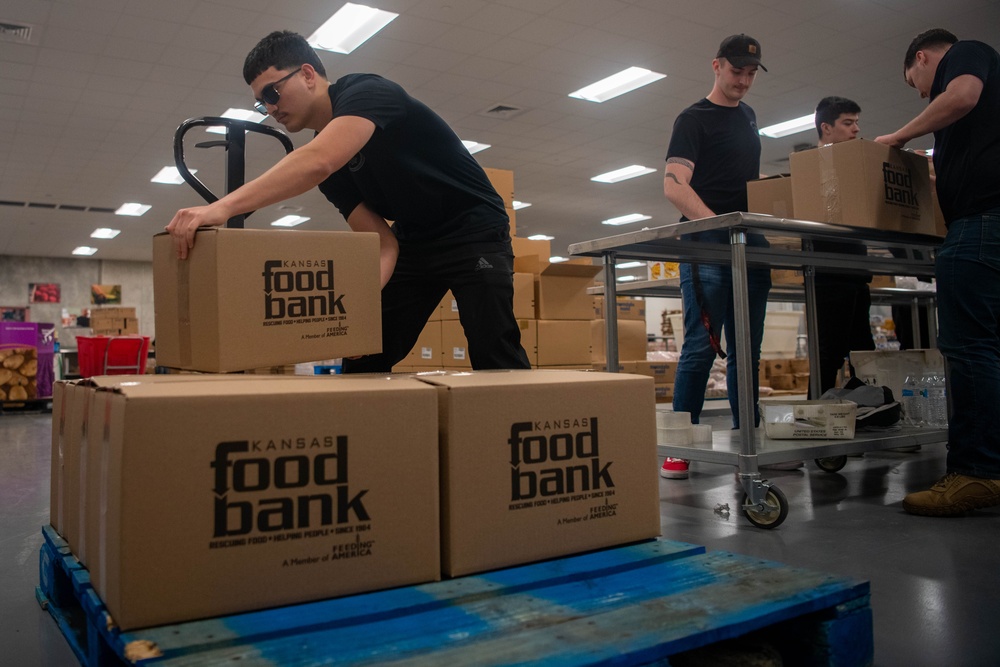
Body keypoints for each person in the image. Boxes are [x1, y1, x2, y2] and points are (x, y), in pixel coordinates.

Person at [166, 30, 530, 373]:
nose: (270, 109)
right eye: (262, 104)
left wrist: (223, 207)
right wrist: (359, 307)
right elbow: (384, 243)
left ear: (308, 74)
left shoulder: (366, 91)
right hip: (414, 240)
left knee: (493, 350)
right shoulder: (334, 172)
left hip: (473, 228)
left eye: (272, 93)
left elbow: (317, 159)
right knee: (364, 351)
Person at [875, 29, 1000, 516]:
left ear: (923, 58)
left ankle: (976, 472)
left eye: (917, 82)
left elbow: (962, 94)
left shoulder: (967, 54)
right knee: (989, 348)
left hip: (982, 225)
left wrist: (902, 135)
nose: (924, 92)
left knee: (970, 351)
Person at [660, 34, 775, 480]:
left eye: (750, 73)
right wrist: (720, 228)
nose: (743, 81)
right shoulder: (694, 119)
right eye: (736, 71)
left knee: (748, 352)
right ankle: (679, 447)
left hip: (749, 244)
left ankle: (751, 436)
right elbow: (674, 186)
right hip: (709, 244)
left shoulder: (748, 117)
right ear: (716, 66)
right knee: (699, 350)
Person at [809, 97, 875, 395]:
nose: (855, 130)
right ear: (826, 127)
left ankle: (869, 411)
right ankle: (811, 415)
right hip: (829, 273)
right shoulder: (812, 168)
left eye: (856, 123)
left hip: (857, 271)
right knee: (829, 352)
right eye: (848, 123)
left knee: (863, 350)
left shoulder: (854, 165)